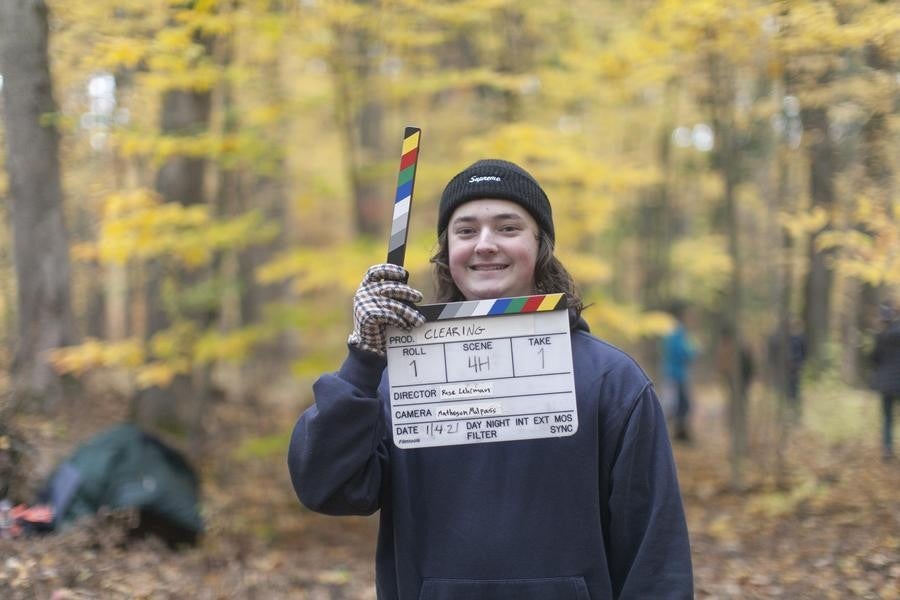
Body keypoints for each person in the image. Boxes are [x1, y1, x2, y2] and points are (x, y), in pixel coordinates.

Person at [288, 159, 693, 599]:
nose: (484, 244)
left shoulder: (613, 383)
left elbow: (656, 555)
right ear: (447, 253)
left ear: (541, 246)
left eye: (507, 227)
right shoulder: (399, 380)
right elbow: (326, 487)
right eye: (465, 231)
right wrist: (364, 360)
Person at [661, 302, 698, 441]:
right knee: (677, 405)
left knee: (680, 405)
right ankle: (674, 433)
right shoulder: (677, 331)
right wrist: (693, 351)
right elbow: (680, 352)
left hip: (675, 373)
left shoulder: (672, 330)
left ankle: (680, 433)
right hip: (676, 374)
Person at [870, 305, 900, 461]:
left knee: (887, 418)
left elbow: (874, 359)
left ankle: (887, 449)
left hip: (886, 384)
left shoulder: (881, 336)